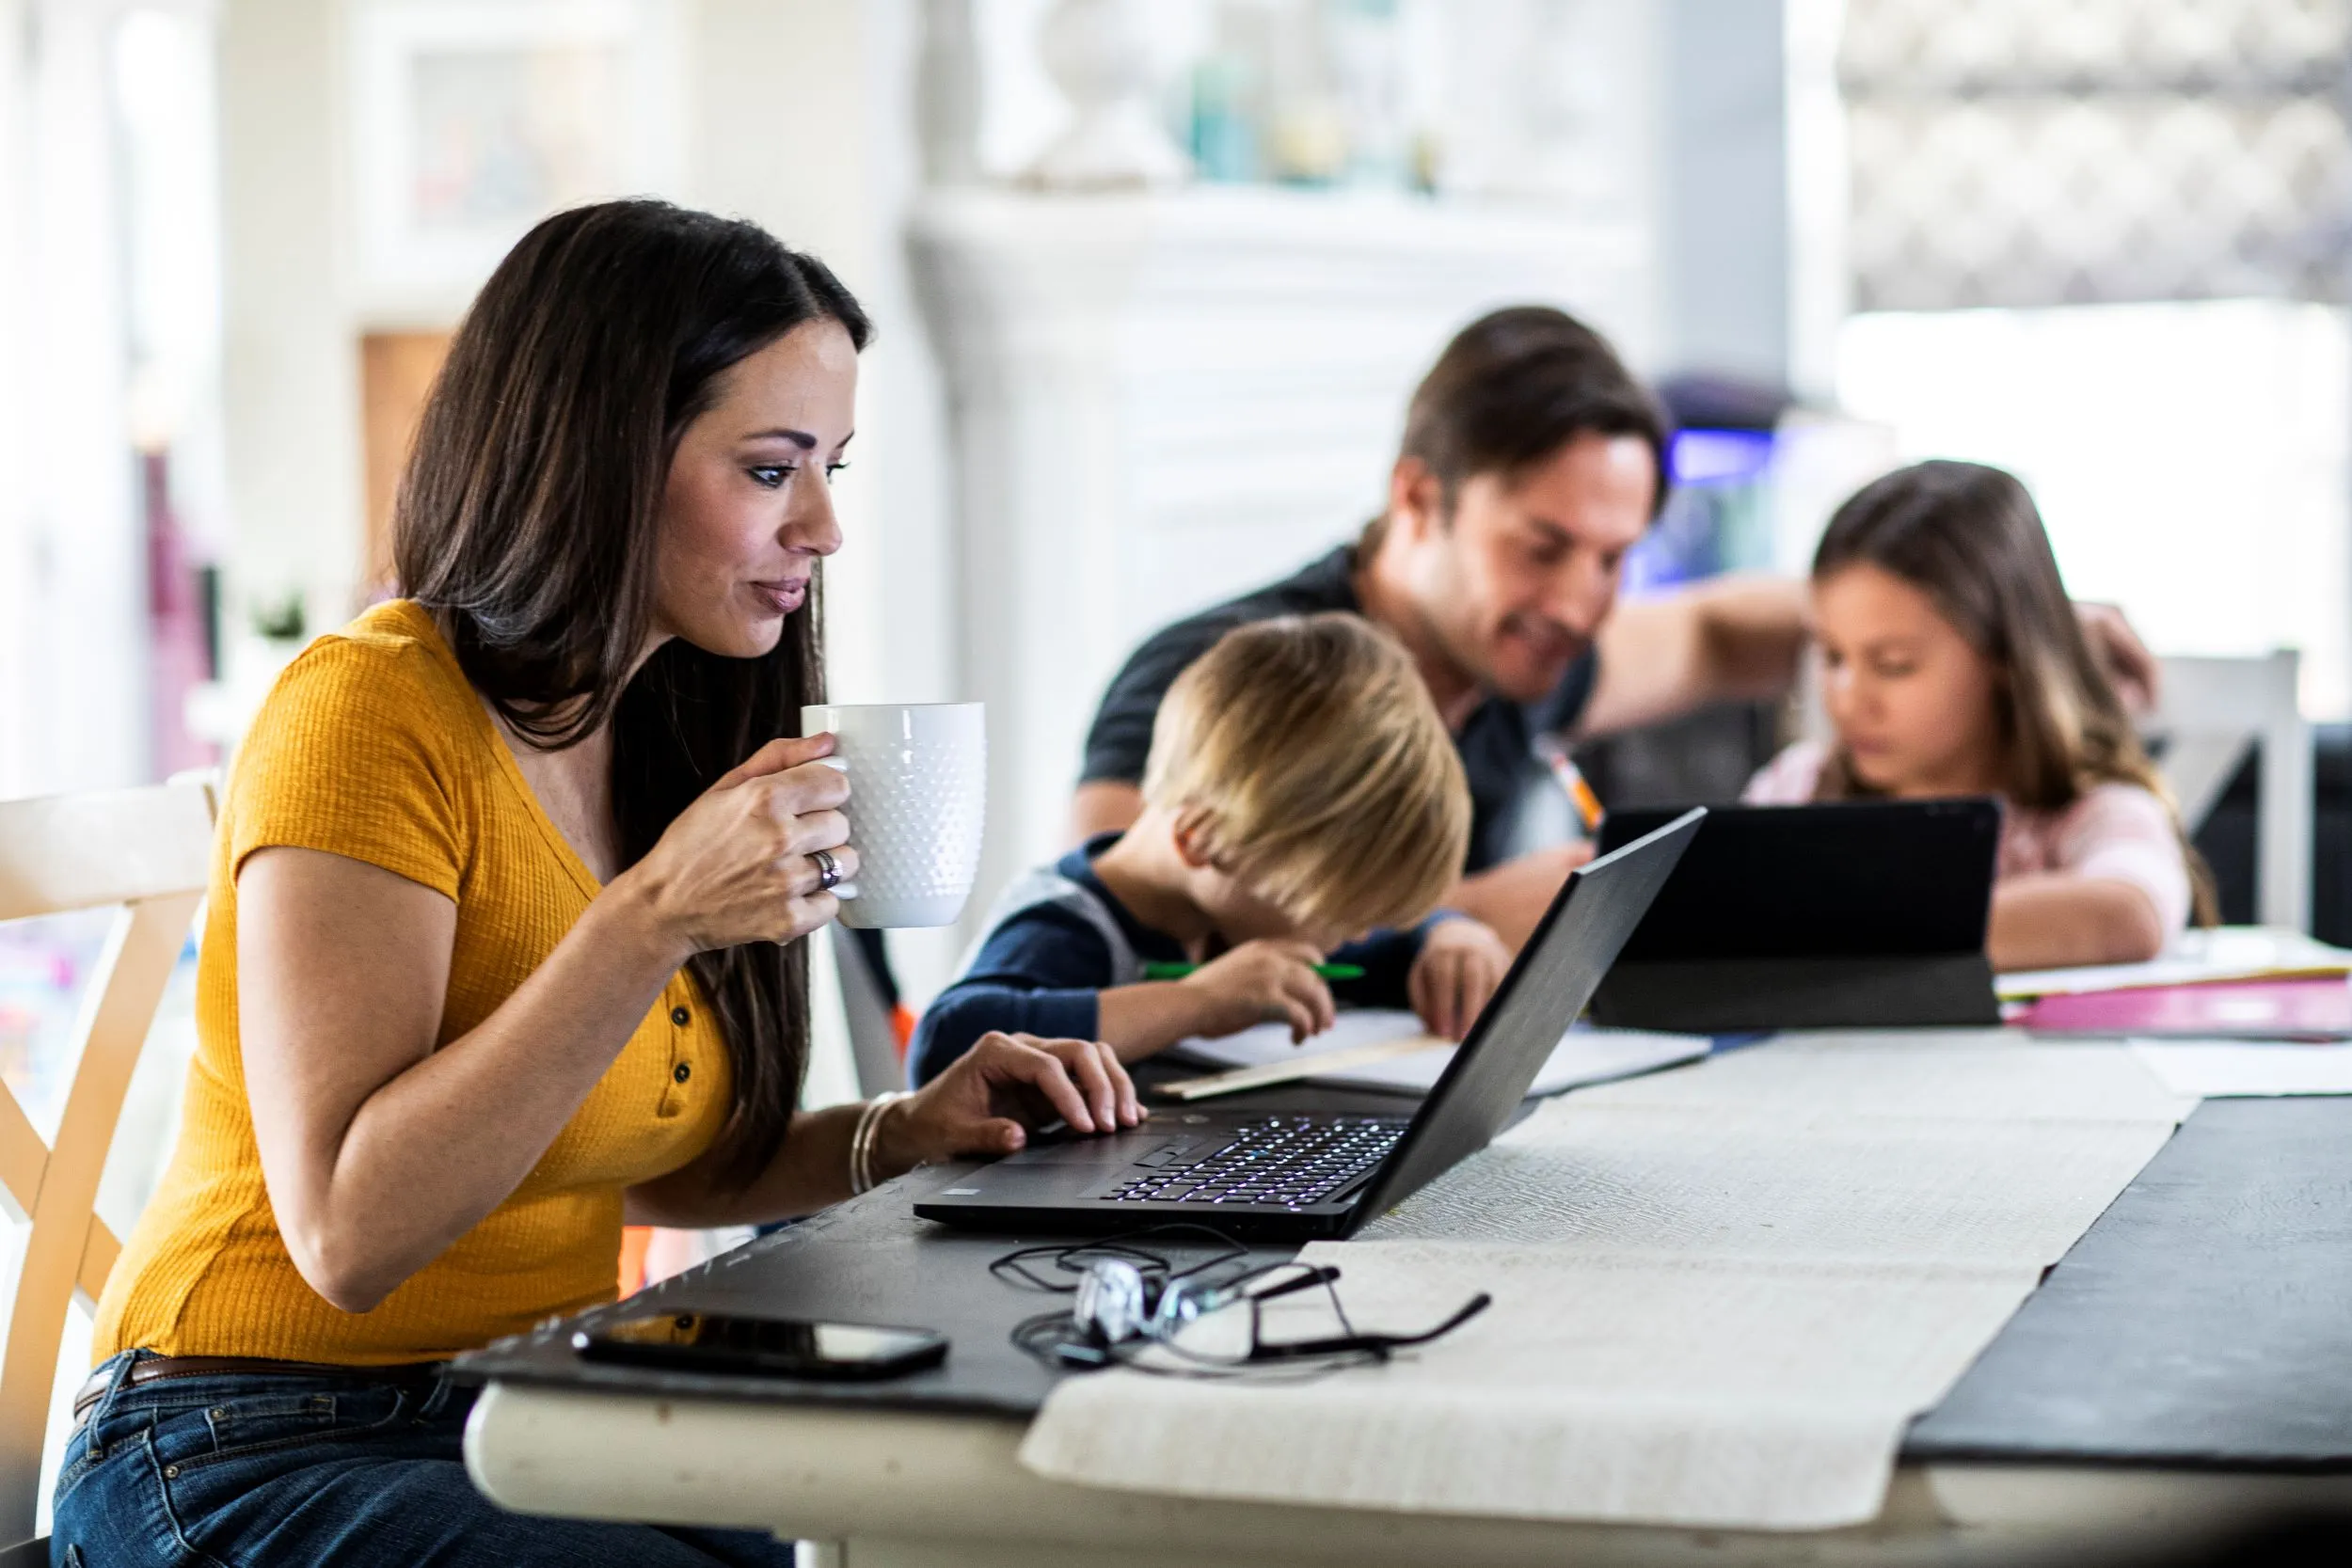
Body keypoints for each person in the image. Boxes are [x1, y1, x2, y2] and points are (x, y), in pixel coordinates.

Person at [56, 200, 1140, 1568]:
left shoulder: (665, 736)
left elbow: (647, 1156)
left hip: (528, 1411)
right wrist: (655, 917)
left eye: (831, 469)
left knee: (913, 1530)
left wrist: (903, 1131)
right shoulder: (369, 711)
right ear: (603, 455)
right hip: (240, 1435)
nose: (821, 527)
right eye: (769, 468)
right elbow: (347, 1226)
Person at [1071, 307, 2161, 950]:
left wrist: (2013, 620)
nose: (1585, 601)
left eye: (1614, 555)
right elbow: (1132, 936)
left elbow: (1726, 628)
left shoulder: (1524, 653)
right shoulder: (1215, 681)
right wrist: (1479, 912)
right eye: (1543, 546)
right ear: (1417, 499)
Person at [912, 614, 1508, 1085]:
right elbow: (946, 1042)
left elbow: (1378, 953)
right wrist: (1195, 1001)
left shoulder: (1232, 906)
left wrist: (1446, 936)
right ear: (1204, 840)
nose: (1356, 939)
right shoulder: (1064, 926)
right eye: (1342, 916)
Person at [1742, 460, 2206, 972]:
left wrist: (1842, 926)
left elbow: (2131, 914)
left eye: (1895, 665)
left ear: (2004, 657)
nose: (1848, 700)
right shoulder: (1797, 787)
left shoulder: (2086, 814)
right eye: (1832, 657)